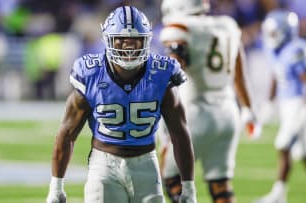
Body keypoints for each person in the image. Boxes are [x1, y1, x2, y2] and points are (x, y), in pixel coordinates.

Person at [46, 6, 197, 203]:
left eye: (136, 39)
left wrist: (188, 186)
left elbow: (180, 133)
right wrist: (56, 186)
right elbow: (67, 133)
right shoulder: (90, 73)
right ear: (108, 39)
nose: (129, 45)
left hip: (146, 164)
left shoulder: (162, 74)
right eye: (121, 39)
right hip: (104, 165)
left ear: (147, 40)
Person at [158, 0, 257, 202]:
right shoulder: (227, 25)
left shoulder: (179, 28)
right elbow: (239, 73)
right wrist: (248, 108)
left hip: (196, 112)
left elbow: (175, 72)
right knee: (221, 185)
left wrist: (158, 104)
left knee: (172, 179)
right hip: (228, 113)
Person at [254, 9, 306, 203]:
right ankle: (279, 195)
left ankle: (278, 195)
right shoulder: (277, 51)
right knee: (302, 152)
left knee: (282, 144)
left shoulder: (297, 50)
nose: (271, 37)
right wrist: (269, 102)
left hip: (299, 103)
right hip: (286, 104)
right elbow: (276, 75)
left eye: (274, 33)